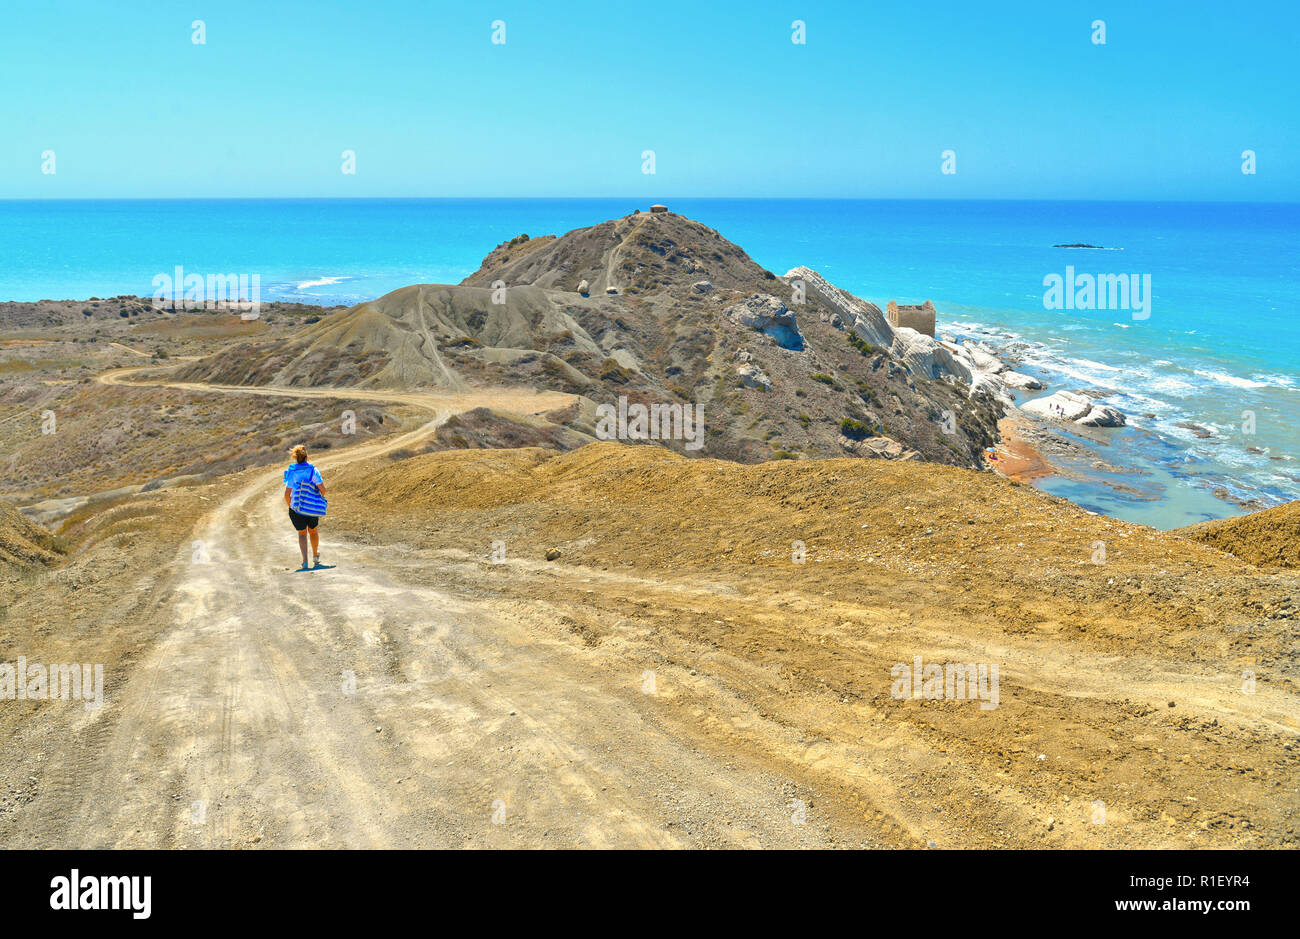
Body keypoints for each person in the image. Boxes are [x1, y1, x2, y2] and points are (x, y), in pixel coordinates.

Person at [284, 444, 327, 569]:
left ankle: (305, 561)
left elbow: (287, 493)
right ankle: (315, 555)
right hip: (311, 508)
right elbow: (323, 490)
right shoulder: (313, 470)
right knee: (313, 531)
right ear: (307, 457)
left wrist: (291, 507)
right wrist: (315, 499)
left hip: (296, 508)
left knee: (302, 534)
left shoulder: (292, 472)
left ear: (295, 458)